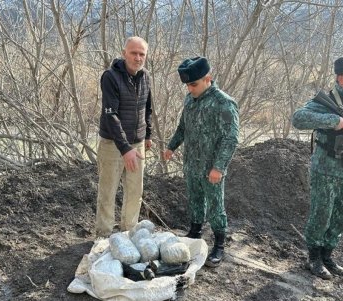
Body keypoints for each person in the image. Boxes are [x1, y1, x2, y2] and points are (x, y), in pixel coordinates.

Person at [292, 55, 343, 280]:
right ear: (341, 78)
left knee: (341, 217)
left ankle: (328, 256)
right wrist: (333, 121)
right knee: (321, 214)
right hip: (326, 170)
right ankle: (314, 258)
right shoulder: (326, 101)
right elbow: (298, 118)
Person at [164, 57, 239, 267]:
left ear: (208, 79)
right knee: (195, 200)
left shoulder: (224, 103)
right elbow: (183, 127)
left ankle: (219, 244)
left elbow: (231, 138)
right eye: (187, 85)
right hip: (192, 163)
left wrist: (219, 167)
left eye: (193, 84)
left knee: (215, 206)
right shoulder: (190, 100)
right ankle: (195, 232)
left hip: (211, 167)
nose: (190, 89)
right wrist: (171, 146)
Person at [95, 36, 152, 237]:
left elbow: (147, 108)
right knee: (108, 193)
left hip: (137, 144)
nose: (138, 58)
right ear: (124, 53)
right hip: (113, 145)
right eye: (134, 53)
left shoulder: (145, 76)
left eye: (141, 54)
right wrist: (125, 148)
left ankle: (128, 233)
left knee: (135, 192)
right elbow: (110, 115)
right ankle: (103, 236)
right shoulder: (110, 77)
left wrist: (148, 135)